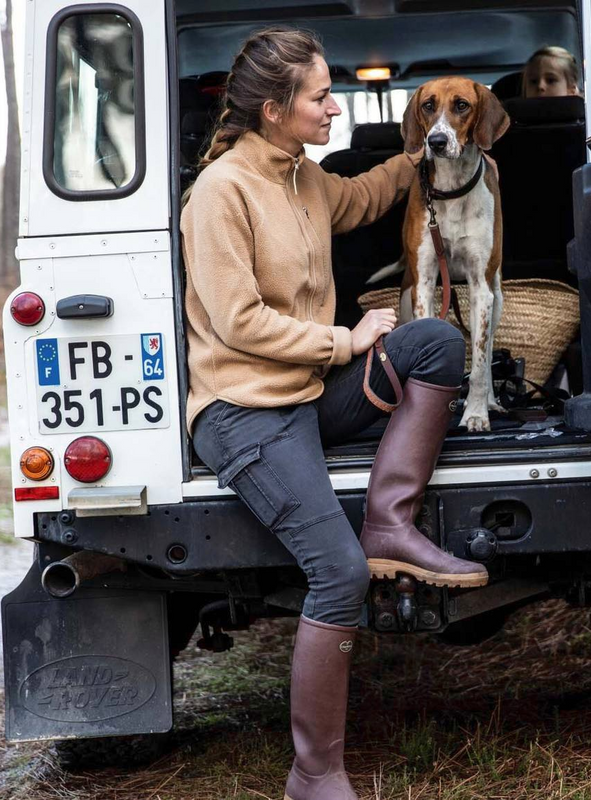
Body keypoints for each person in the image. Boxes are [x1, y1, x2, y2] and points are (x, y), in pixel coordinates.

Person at [180, 27, 488, 800]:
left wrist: (430, 151)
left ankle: (392, 519)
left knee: (433, 345)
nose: (334, 106)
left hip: (310, 394)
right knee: (338, 573)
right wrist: (342, 340)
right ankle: (313, 774)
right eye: (321, 95)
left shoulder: (304, 178)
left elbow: (369, 195)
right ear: (276, 108)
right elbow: (237, 321)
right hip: (244, 413)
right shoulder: (219, 193)